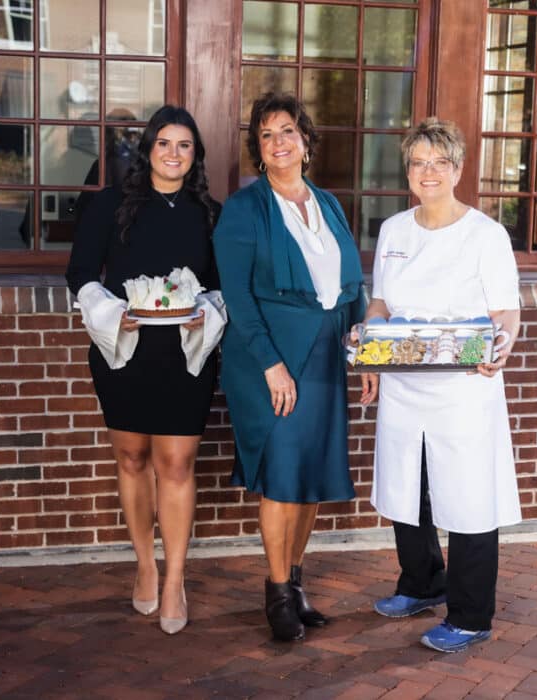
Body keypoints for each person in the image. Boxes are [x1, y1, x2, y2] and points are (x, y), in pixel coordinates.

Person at [359, 117, 521, 653]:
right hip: (406, 383)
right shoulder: (394, 231)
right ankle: (422, 582)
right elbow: (381, 301)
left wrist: (500, 350)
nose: (428, 172)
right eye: (418, 162)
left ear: (457, 169)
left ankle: (471, 615)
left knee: (469, 496)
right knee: (410, 484)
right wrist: (371, 345)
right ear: (408, 170)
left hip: (464, 389)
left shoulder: (485, 234)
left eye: (439, 162)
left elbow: (506, 313)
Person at [213, 93, 365, 642]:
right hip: (268, 358)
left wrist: (362, 351)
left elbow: (352, 286)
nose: (279, 142)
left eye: (288, 131)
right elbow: (239, 297)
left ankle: (297, 584)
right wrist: (272, 365)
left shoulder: (329, 204)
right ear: (258, 149)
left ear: (305, 140)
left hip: (327, 354)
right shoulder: (244, 209)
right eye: (267, 135)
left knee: (311, 475)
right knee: (281, 475)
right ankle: (276, 590)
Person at [65, 105, 220, 635]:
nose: (174, 154)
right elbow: (81, 275)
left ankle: (176, 576)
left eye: (185, 146)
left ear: (195, 156)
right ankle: (145, 564)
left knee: (175, 463)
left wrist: (209, 311)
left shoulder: (210, 213)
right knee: (132, 458)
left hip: (185, 355)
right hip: (123, 352)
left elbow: (221, 286)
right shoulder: (111, 204)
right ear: (148, 148)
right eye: (164, 144)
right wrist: (115, 317)